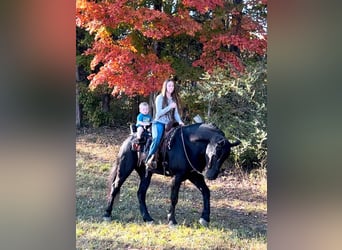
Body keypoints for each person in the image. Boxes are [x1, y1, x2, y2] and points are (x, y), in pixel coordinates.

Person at [145, 79, 184, 170]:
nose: (171, 88)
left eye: (172, 86)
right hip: (158, 122)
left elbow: (176, 114)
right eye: (169, 86)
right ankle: (148, 159)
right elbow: (158, 113)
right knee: (157, 138)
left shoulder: (173, 99)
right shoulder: (160, 98)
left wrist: (180, 121)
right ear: (165, 87)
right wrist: (169, 107)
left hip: (169, 124)